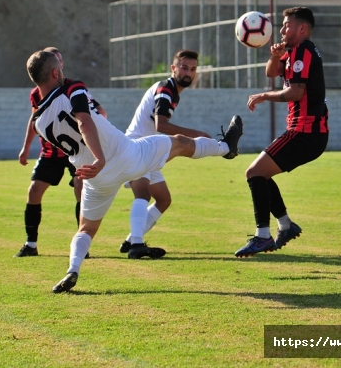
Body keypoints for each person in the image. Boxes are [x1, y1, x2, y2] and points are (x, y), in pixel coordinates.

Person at [25, 50, 242, 293]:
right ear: (55, 72)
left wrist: (96, 161)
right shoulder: (71, 87)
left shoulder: (38, 122)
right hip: (126, 155)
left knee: (85, 229)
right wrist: (100, 157)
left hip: (96, 178)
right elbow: (84, 121)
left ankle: (72, 270)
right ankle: (226, 147)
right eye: (60, 68)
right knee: (180, 142)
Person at [234, 6, 329, 258]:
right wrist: (276, 55)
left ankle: (263, 236)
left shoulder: (304, 49)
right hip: (305, 131)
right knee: (260, 176)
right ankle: (285, 226)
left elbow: (296, 92)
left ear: (302, 28)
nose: (282, 29)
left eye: (287, 25)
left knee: (254, 173)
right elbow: (271, 72)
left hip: (305, 132)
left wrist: (264, 95)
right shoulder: (294, 51)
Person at [15, 47, 106, 258]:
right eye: (56, 61)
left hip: (74, 151)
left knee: (80, 189)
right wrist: (25, 147)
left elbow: (98, 111)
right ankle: (30, 244)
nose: (60, 64)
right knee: (34, 191)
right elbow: (34, 119)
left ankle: (83, 246)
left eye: (61, 60)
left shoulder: (73, 87)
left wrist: (100, 131)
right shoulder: (37, 93)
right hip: (50, 152)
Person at [119, 49, 212, 256]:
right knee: (142, 193)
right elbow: (161, 125)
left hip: (149, 149)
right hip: (137, 147)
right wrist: (197, 134)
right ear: (173, 68)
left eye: (193, 69)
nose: (188, 73)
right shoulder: (165, 88)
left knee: (163, 199)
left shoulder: (172, 90)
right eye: (184, 67)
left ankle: (130, 240)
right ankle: (136, 245)